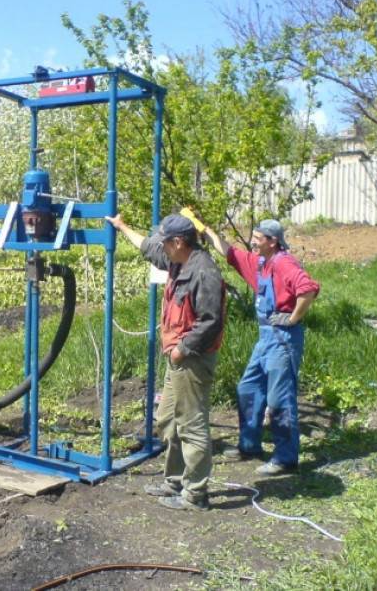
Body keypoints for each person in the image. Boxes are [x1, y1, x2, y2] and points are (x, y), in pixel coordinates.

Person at [106, 213, 226, 510]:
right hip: (178, 357)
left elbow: (210, 321)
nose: (163, 247)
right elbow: (148, 247)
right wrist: (122, 227)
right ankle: (174, 479)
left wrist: (182, 349)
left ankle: (195, 495)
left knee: (191, 424)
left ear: (178, 241)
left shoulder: (203, 272)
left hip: (192, 359)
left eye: (166, 242)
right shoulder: (177, 259)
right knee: (169, 419)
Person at [203, 218, 319, 476]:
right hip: (265, 337)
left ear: (273, 241)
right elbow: (231, 253)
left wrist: (293, 318)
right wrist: (206, 230)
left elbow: (308, 289)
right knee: (248, 388)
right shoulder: (261, 263)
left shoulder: (284, 263)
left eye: (258, 237)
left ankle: (285, 458)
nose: (253, 241)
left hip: (283, 339)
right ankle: (249, 445)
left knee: (279, 399)